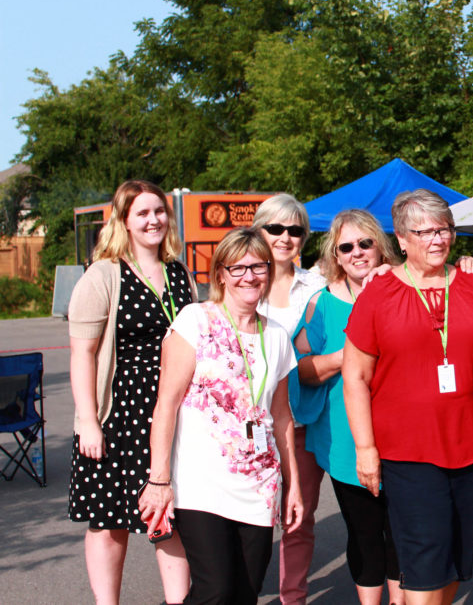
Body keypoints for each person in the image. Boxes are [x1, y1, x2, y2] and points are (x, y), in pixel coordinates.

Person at [342, 189, 473, 605]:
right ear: (401, 238)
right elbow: (355, 376)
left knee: (454, 560)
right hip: (408, 453)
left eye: (444, 229)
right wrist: (365, 449)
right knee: (425, 559)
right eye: (425, 231)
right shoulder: (377, 294)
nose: (437, 239)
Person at [139, 227, 303, 604]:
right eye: (238, 268)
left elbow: (281, 416)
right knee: (215, 591)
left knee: (245, 593)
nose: (249, 276)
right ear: (221, 275)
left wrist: (292, 485)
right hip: (201, 483)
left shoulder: (276, 335)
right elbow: (166, 403)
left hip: (259, 484)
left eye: (258, 267)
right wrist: (159, 479)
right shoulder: (195, 320)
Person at [67, 179, 193, 605]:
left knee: (171, 518)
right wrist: (88, 421)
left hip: (169, 412)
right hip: (117, 415)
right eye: (142, 213)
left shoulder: (178, 271)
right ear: (123, 220)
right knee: (108, 520)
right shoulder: (103, 275)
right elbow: (83, 354)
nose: (154, 219)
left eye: (159, 211)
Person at [292, 209, 404, 605]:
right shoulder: (320, 304)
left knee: (401, 531)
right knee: (364, 532)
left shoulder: (405, 287)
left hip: (402, 432)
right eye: (346, 247)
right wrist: (349, 356)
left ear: (380, 246)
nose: (357, 252)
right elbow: (301, 370)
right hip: (344, 439)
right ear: (335, 256)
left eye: (365, 243)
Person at [251, 194, 326, 605]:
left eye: (294, 230)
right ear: (258, 230)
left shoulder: (317, 286)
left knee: (298, 518)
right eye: (275, 228)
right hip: (249, 427)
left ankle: (292, 598)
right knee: (250, 519)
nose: (284, 237)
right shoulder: (240, 279)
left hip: (302, 424)